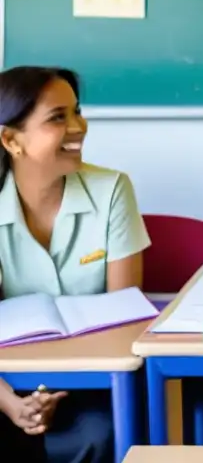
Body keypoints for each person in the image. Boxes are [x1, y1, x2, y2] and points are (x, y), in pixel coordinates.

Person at [0, 66, 151, 463]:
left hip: (94, 381)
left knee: (98, 435)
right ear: (11, 140)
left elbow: (124, 320)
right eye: (58, 118)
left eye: (77, 111)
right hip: (5, 384)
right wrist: (11, 402)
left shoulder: (113, 189)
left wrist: (51, 389)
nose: (78, 126)